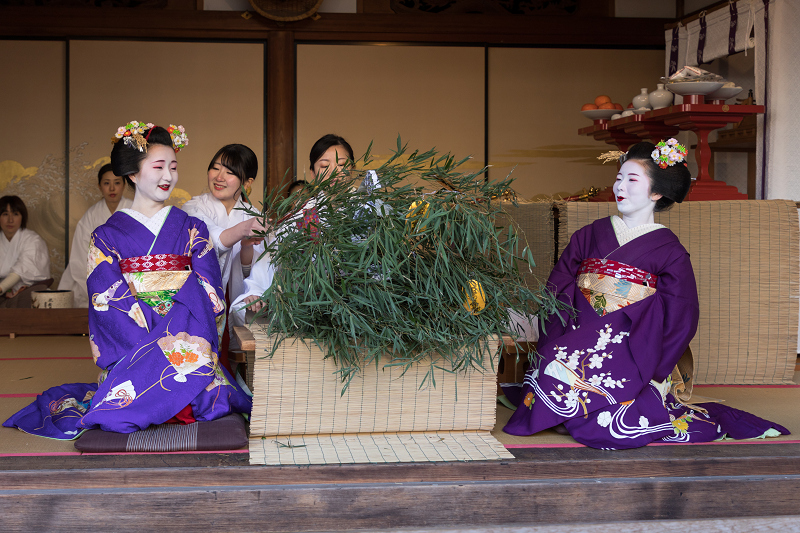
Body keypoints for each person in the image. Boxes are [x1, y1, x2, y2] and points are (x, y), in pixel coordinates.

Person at [503, 139, 788, 449]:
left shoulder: (670, 251)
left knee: (608, 420)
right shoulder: (589, 234)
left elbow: (682, 314)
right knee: (551, 370)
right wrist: (561, 331)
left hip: (629, 344)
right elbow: (558, 286)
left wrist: (659, 369)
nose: (620, 187)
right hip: (577, 332)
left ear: (656, 192)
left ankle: (579, 412)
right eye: (618, 178)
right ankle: (568, 410)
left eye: (632, 180)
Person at [4, 121, 251, 439]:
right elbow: (106, 299)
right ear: (133, 173)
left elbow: (209, 290)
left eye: (173, 167)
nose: (168, 176)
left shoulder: (193, 228)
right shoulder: (106, 235)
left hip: (186, 343)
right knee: (142, 395)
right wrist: (154, 340)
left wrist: (171, 336)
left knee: (209, 397)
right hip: (134, 339)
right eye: (158, 166)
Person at [232, 134, 354, 315]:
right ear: (312, 173)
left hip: (358, 305)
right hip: (313, 306)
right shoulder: (303, 215)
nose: (334, 171)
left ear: (354, 168)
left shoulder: (371, 209)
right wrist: (256, 289)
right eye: (325, 166)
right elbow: (272, 255)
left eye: (342, 164)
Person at [182, 144, 267, 362]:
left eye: (230, 172)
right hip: (202, 301)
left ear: (247, 183)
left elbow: (255, 270)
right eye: (216, 168)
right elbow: (211, 239)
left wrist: (247, 246)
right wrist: (244, 230)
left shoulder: (253, 215)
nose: (219, 177)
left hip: (236, 299)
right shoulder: (193, 207)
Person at [58, 164, 133, 307]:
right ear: (99, 186)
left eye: (117, 183)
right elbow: (81, 255)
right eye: (106, 183)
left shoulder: (133, 210)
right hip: (97, 274)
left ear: (124, 185)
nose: (112, 188)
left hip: (128, 275)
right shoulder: (91, 216)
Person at [0, 195, 51, 308]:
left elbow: (21, 269)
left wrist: (2, 287)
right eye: (5, 214)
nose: (10, 220)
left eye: (15, 214)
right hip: (3, 293)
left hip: (26, 291)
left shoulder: (33, 240)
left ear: (22, 217)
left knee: (33, 296)